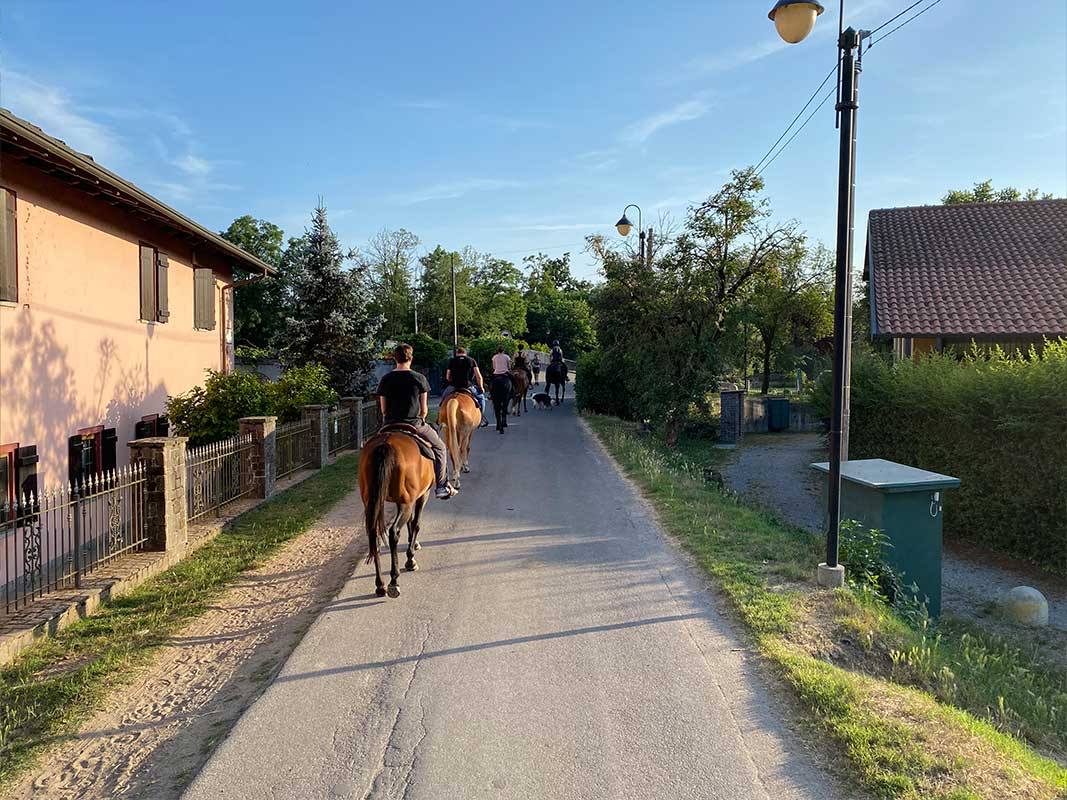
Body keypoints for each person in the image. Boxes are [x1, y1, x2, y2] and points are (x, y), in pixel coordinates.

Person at [377, 343, 456, 499]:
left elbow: (384, 409)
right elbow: (424, 410)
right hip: (414, 424)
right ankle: (441, 486)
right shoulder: (419, 378)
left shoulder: (386, 379)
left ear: (395, 359)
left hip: (389, 425)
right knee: (440, 447)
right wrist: (421, 418)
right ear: (411, 358)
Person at [441, 346, 488, 428]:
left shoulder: (452, 360)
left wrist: (453, 380)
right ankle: (481, 419)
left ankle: (440, 419)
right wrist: (481, 387)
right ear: (465, 353)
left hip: (454, 387)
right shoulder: (472, 360)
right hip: (468, 387)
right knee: (481, 398)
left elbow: (448, 376)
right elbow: (478, 376)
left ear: (457, 353)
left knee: (443, 399)